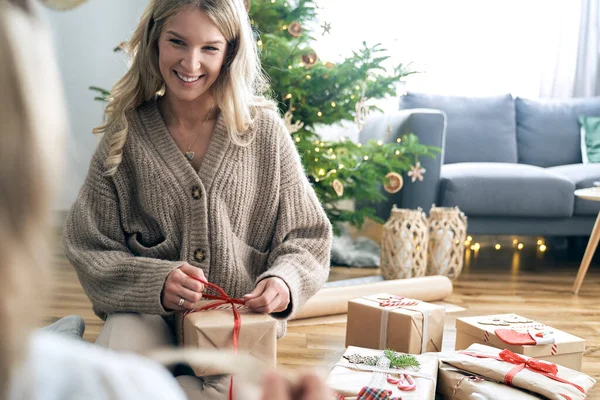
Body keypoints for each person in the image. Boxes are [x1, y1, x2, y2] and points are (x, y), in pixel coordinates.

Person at [1, 0, 333, 399]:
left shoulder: (263, 132)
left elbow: (309, 237)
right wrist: (154, 282)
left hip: (235, 330)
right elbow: (87, 244)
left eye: (209, 48)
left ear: (230, 52)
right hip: (145, 322)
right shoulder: (126, 136)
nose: (191, 63)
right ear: (155, 39)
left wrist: (285, 279)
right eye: (178, 42)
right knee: (122, 343)